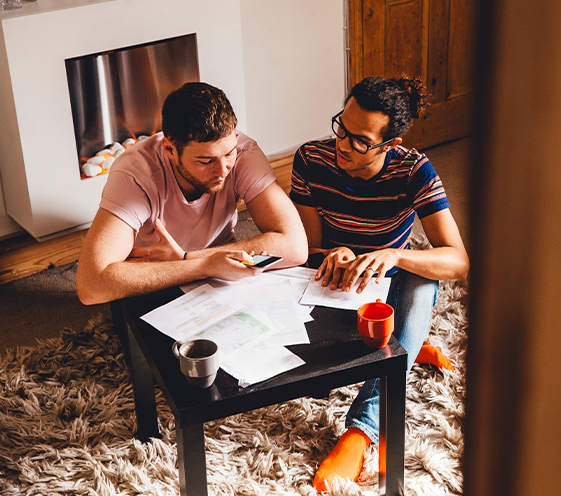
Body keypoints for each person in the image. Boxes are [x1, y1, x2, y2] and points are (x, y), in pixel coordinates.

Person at [290, 75, 469, 492]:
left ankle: (359, 433)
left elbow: (458, 261)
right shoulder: (310, 161)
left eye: (360, 141)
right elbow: (306, 249)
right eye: (342, 128)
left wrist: (394, 255)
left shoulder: (414, 171)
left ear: (391, 145)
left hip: (388, 285)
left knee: (423, 284)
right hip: (333, 279)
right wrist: (328, 255)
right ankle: (406, 343)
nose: (343, 144)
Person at [76, 82, 308, 305]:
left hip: (223, 275)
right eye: (206, 161)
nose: (222, 170)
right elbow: (91, 285)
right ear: (170, 150)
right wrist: (202, 265)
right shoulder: (136, 173)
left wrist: (189, 258)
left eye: (228, 154)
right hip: (152, 278)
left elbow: (295, 246)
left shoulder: (244, 152)